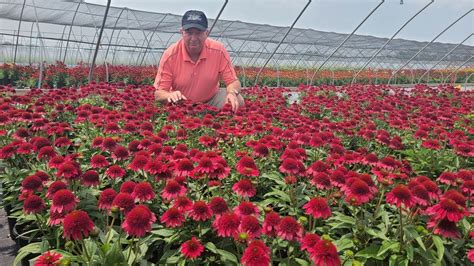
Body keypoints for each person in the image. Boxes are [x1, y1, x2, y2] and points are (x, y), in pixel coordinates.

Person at [154, 10, 244, 112]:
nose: (194, 38)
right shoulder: (170, 55)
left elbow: (233, 81)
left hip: (211, 99)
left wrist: (231, 93)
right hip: (182, 103)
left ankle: (221, 120)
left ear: (206, 33)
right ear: (181, 32)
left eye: (198, 33)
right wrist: (169, 95)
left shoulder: (218, 50)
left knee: (238, 100)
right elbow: (159, 94)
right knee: (168, 109)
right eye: (189, 33)